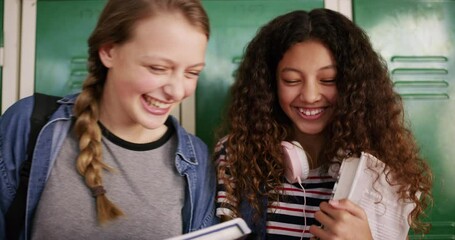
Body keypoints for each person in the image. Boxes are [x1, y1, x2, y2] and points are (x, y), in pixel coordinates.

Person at [0, 0, 218, 239]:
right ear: (108, 52)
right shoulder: (31, 123)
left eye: (192, 73)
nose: (177, 92)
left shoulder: (196, 160)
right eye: (158, 68)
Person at [215, 8, 432, 240]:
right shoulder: (236, 154)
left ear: (351, 85)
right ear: (271, 84)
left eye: (328, 80)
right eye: (292, 80)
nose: (310, 95)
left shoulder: (380, 172)